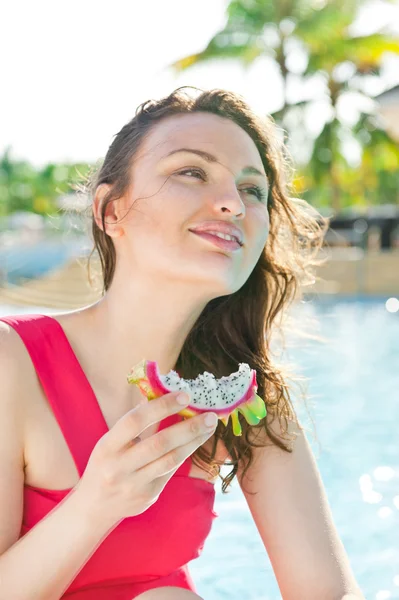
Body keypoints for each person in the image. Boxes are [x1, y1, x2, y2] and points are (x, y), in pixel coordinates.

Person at [0, 87, 365, 599]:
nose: (232, 203)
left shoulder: (250, 402)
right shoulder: (10, 362)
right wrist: (96, 504)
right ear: (111, 212)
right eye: (192, 172)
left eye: (253, 189)